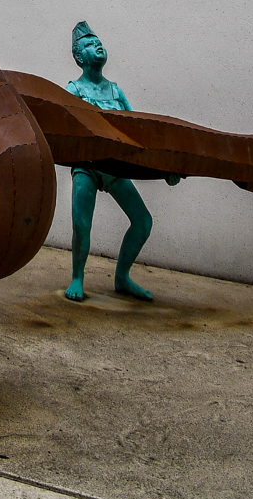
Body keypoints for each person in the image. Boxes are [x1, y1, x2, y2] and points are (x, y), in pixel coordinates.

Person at [65, 20, 179, 302]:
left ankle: (122, 278)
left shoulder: (115, 91)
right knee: (81, 224)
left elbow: (138, 135)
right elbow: (63, 128)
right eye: (90, 45)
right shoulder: (73, 90)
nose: (98, 46)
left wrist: (164, 169)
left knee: (142, 222)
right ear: (79, 57)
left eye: (99, 42)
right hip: (87, 166)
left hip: (116, 168)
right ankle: (77, 278)